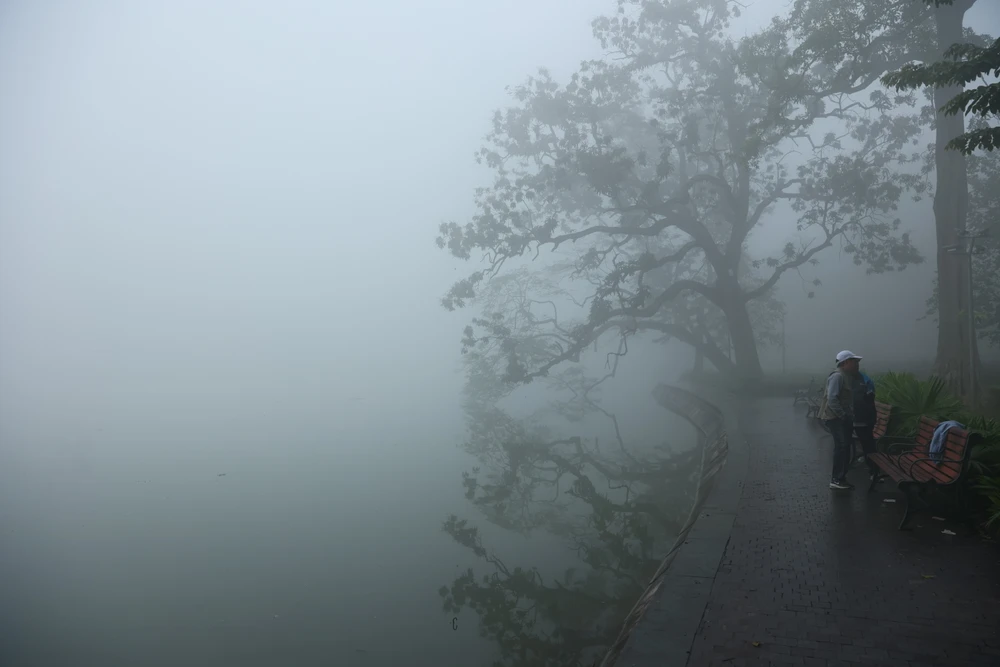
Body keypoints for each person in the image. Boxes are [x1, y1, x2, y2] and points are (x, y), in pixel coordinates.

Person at [818, 350, 865, 490]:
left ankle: (841, 477)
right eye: (854, 361)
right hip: (836, 418)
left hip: (842, 418)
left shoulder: (847, 376)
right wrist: (843, 415)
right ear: (845, 363)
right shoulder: (838, 376)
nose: (857, 364)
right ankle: (836, 479)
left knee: (844, 447)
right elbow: (832, 399)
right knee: (842, 447)